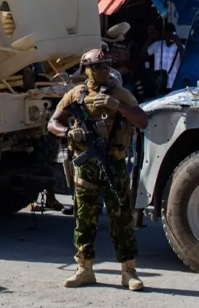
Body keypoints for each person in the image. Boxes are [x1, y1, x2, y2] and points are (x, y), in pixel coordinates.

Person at [47, 47, 148, 290]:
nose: (103, 70)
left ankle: (128, 271)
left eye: (106, 66)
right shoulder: (75, 95)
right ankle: (84, 269)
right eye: (98, 67)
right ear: (87, 69)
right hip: (86, 165)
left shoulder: (120, 94)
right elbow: (53, 122)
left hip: (114, 163)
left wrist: (117, 106)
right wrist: (69, 132)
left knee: (121, 218)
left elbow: (142, 120)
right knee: (84, 219)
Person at [143, 22, 183, 97]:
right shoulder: (157, 45)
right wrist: (150, 39)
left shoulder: (179, 47)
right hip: (159, 83)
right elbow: (144, 54)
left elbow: (184, 61)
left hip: (173, 83)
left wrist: (179, 43)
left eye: (171, 33)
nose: (169, 36)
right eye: (167, 33)